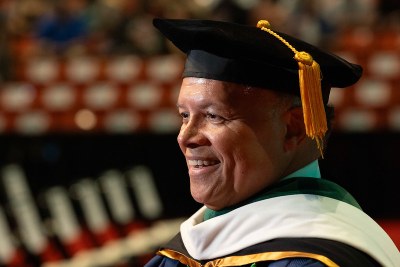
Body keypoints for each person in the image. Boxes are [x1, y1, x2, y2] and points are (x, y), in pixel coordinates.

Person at [145, 18, 400, 267]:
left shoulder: (316, 257)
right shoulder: (184, 250)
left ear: (292, 129)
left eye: (214, 116)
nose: (185, 137)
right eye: (184, 116)